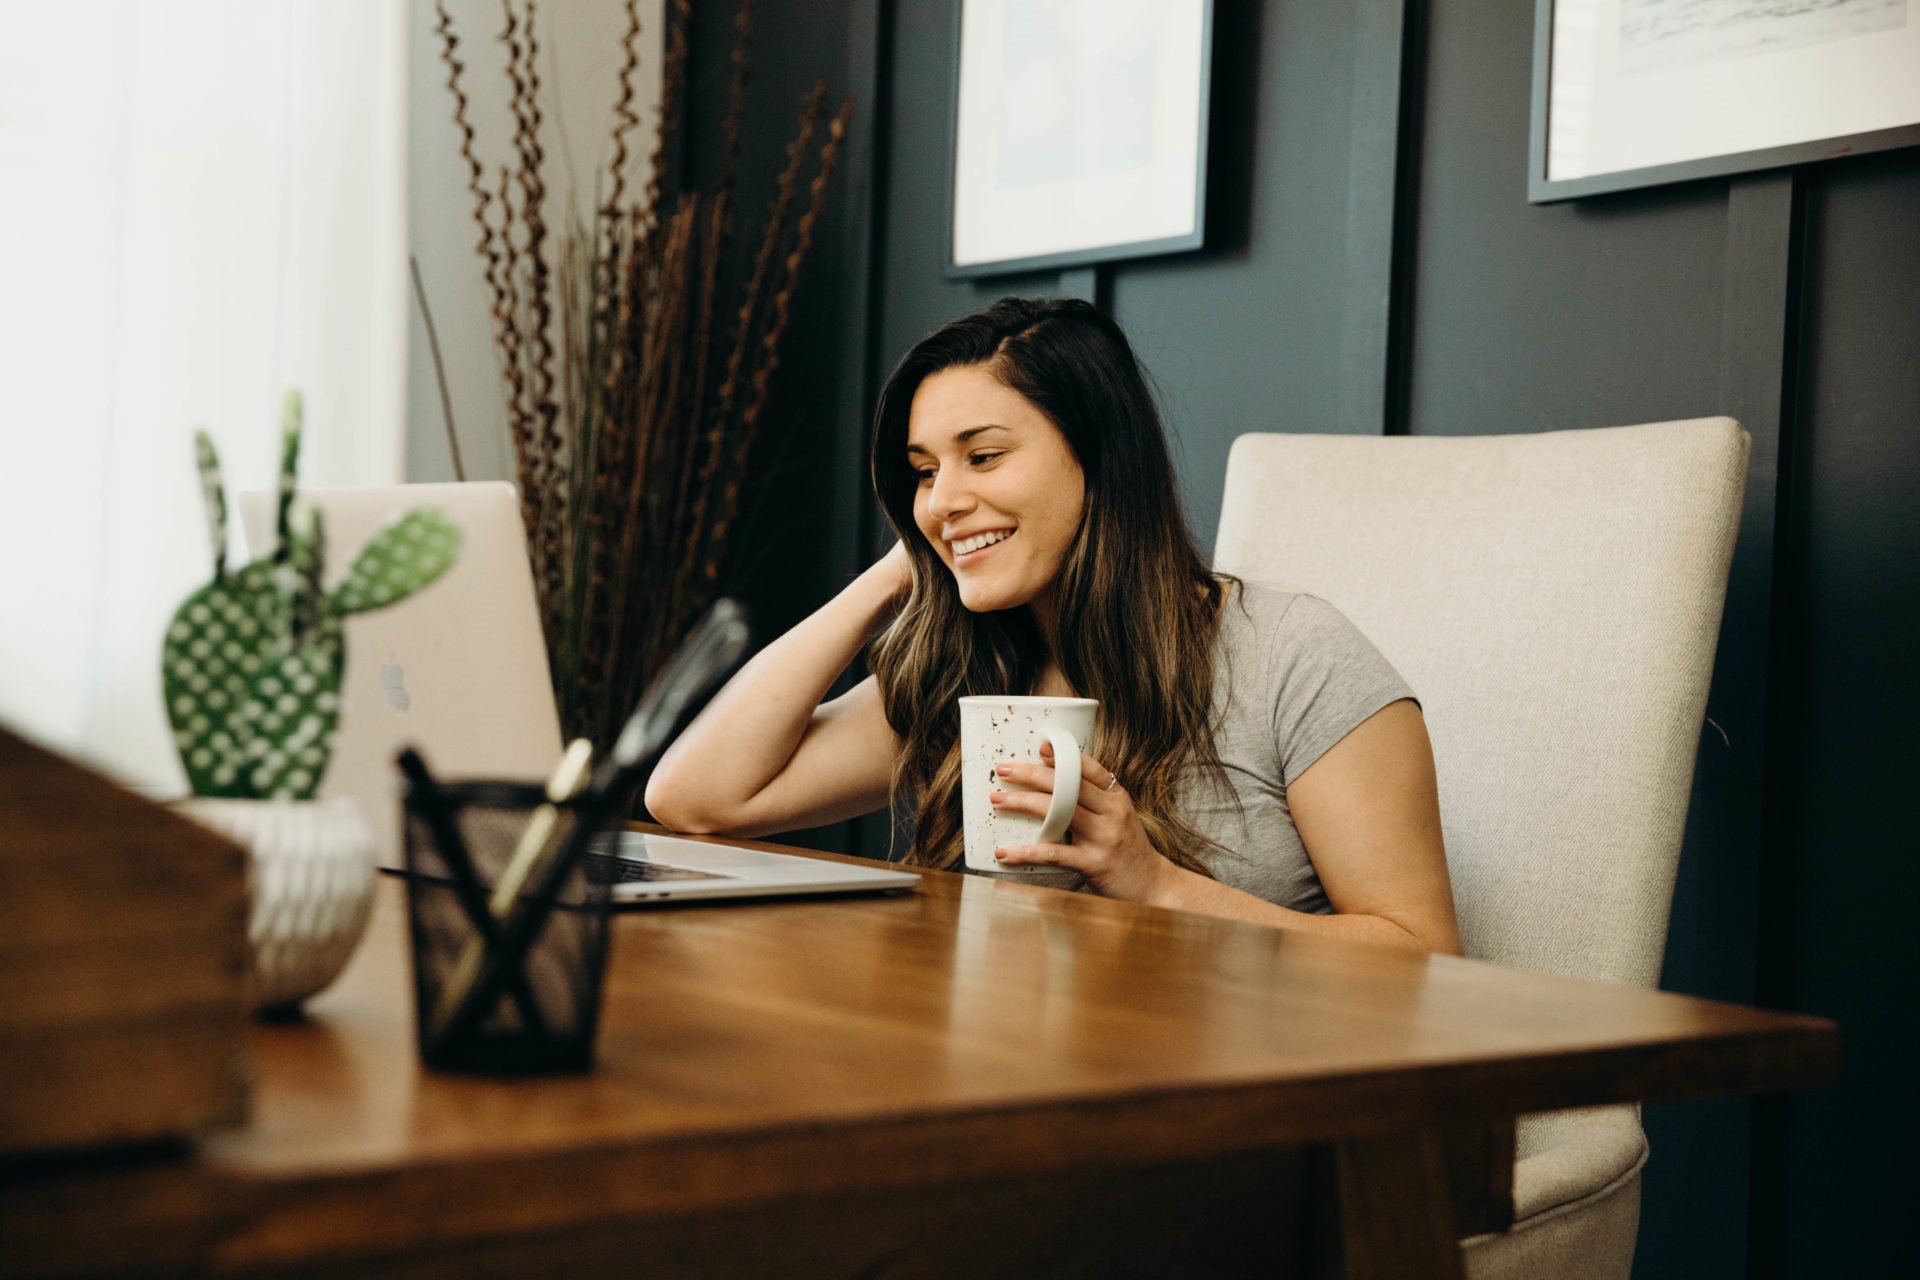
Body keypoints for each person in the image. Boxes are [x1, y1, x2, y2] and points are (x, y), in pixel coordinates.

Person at [646, 297, 1461, 953]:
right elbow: (696, 799)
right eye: (924, 471)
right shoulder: (970, 673)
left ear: (1098, 456)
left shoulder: (1293, 654)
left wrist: (1157, 885)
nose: (942, 495)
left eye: (985, 456)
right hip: (1040, 1084)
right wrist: (913, 559)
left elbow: (1421, 956)